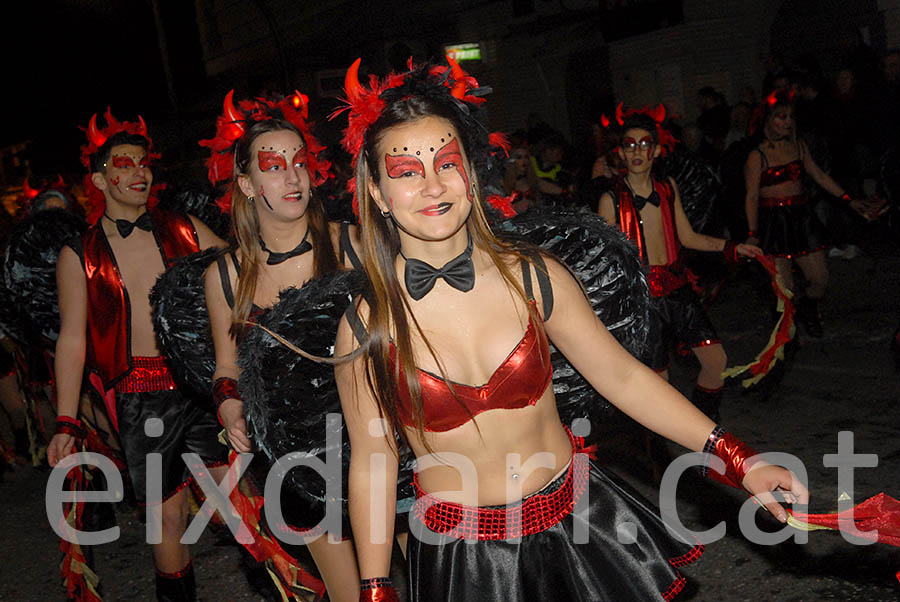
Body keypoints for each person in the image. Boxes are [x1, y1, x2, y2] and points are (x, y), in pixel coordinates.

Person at [333, 58, 808, 602]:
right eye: (407, 172)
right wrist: (374, 587)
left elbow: (622, 377)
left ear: (472, 172)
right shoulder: (366, 327)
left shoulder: (534, 276)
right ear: (375, 191)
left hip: (578, 523)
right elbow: (373, 462)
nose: (434, 186)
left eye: (447, 163)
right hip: (464, 558)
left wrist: (736, 458)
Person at [46, 109, 227, 602]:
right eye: (123, 164)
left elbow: (240, 276)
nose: (138, 171)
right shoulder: (78, 253)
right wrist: (66, 420)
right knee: (165, 516)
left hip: (203, 385)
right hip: (141, 398)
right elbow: (73, 340)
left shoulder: (186, 229)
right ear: (100, 178)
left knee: (244, 496)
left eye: (143, 163)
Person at [201, 90, 363, 602]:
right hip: (295, 458)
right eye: (273, 166)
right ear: (246, 184)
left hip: (376, 441)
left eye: (299, 162)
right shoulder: (225, 276)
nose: (292, 176)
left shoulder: (352, 244)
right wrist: (229, 405)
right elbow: (226, 368)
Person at [598, 107, 761, 422]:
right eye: (629, 145)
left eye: (644, 144)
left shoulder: (667, 188)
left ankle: (702, 425)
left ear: (657, 150)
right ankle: (659, 449)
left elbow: (687, 237)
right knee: (659, 383)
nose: (637, 151)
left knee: (716, 360)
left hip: (677, 288)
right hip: (643, 298)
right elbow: (607, 258)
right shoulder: (611, 199)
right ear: (620, 152)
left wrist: (733, 247)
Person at [744, 89, 870, 337]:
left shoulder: (799, 147)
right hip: (774, 222)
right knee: (784, 287)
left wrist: (848, 200)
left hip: (801, 217)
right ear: (768, 120)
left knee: (820, 279)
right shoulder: (756, 156)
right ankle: (787, 332)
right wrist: (752, 233)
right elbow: (751, 196)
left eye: (790, 117)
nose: (787, 122)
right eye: (781, 117)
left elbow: (820, 176)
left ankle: (808, 309)